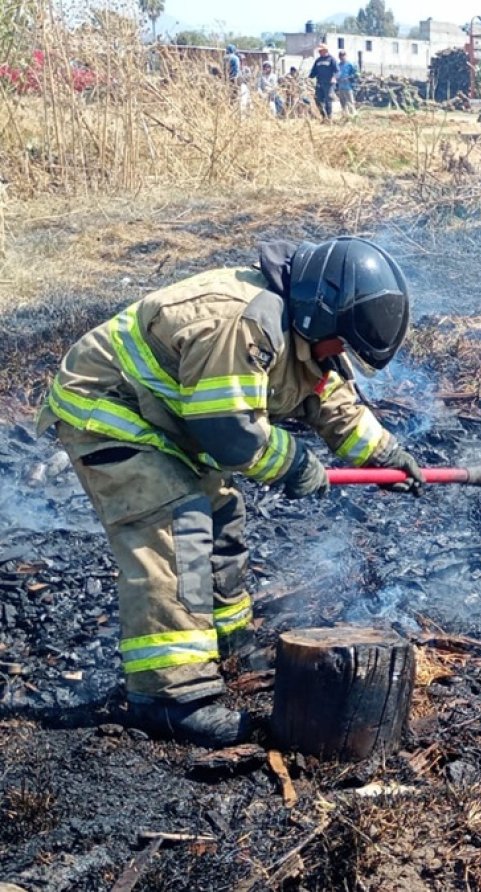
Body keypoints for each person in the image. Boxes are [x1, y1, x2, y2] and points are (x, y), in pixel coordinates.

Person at [37, 237, 425, 747]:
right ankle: (172, 698)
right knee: (178, 526)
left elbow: (327, 396)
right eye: (341, 345)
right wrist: (297, 465)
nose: (339, 356)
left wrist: (383, 454)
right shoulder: (244, 322)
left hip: (170, 423)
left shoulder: (307, 332)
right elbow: (230, 433)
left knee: (222, 517)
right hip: (111, 411)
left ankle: (228, 645)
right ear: (319, 314)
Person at [308, 43, 337, 121]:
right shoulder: (318, 60)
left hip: (328, 84)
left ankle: (329, 117)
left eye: (321, 51)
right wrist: (308, 78)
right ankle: (324, 116)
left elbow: (336, 71)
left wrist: (334, 78)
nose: (319, 52)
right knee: (317, 99)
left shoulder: (332, 59)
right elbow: (314, 72)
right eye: (319, 51)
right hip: (319, 83)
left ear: (325, 50)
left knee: (328, 99)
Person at [336, 50, 358, 118]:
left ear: (346, 56)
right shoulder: (338, 65)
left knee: (350, 102)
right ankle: (345, 117)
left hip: (348, 87)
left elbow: (357, 74)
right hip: (340, 87)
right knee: (343, 103)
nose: (342, 57)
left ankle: (354, 117)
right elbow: (336, 74)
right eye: (340, 56)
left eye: (343, 55)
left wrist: (349, 78)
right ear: (339, 57)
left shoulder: (350, 64)